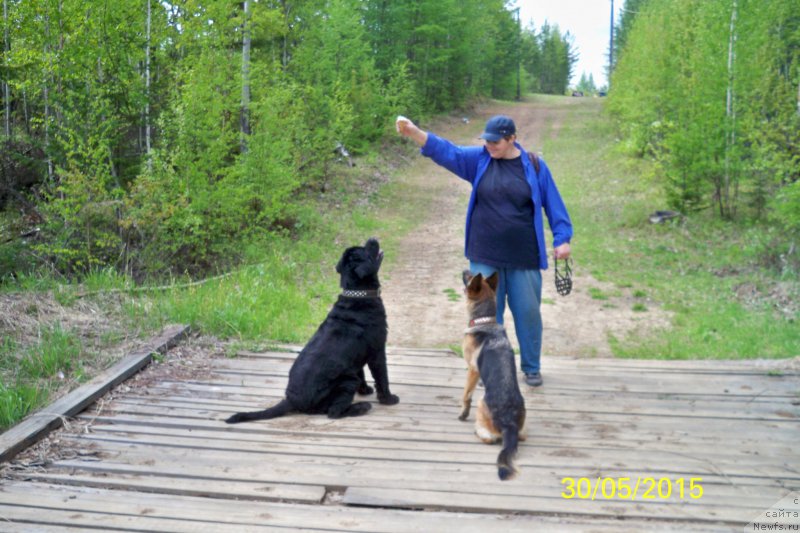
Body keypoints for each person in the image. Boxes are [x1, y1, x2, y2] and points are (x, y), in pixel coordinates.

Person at [396, 114, 572, 387]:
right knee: (486, 317)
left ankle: (531, 367)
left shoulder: (536, 166)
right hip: (484, 253)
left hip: (523, 255)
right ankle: (491, 366)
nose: (489, 145)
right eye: (486, 140)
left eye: (495, 141)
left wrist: (562, 238)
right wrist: (415, 132)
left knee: (528, 312)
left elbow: (554, 204)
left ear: (512, 138)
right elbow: (447, 152)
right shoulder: (479, 159)